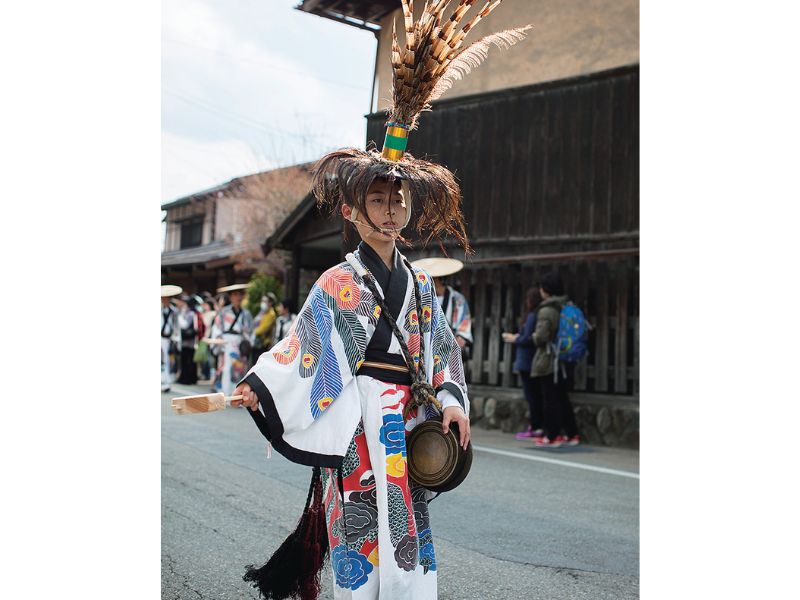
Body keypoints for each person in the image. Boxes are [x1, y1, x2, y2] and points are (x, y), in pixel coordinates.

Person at [234, 4, 528, 598]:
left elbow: (441, 349)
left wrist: (450, 399)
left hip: (407, 417)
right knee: (361, 522)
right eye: (378, 198)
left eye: (399, 199)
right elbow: (304, 347)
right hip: (356, 420)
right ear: (352, 210)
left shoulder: (419, 286)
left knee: (409, 526)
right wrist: (261, 385)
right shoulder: (337, 283)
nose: (391, 208)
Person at [530, 272, 580, 448]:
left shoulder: (548, 309)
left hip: (549, 359)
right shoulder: (566, 305)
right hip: (565, 358)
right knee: (562, 397)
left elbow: (541, 337)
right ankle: (572, 434)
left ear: (546, 290)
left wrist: (534, 336)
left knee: (549, 399)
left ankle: (552, 436)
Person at [502, 288, 544, 440]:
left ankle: (536, 426)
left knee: (532, 396)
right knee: (535, 395)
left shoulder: (533, 316)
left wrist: (515, 338)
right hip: (530, 360)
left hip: (527, 360)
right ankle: (537, 426)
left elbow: (528, 339)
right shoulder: (537, 315)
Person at [212, 283, 254, 397]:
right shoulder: (224, 312)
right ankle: (225, 392)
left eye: (240, 295)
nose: (238, 298)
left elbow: (250, 331)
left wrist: (248, 342)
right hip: (226, 341)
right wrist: (218, 339)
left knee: (239, 367)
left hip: (240, 341)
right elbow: (217, 327)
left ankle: (237, 394)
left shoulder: (246, 314)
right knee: (225, 367)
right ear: (231, 297)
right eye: (235, 295)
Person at [160, 285, 182, 392]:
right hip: (160, 337)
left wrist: (177, 339)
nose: (164, 300)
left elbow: (176, 326)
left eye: (166, 298)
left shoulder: (174, 311)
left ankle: (167, 382)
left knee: (168, 360)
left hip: (169, 339)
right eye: (163, 298)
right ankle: (162, 381)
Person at [177, 296, 200, 384]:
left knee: (187, 361)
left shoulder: (190, 313)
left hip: (187, 342)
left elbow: (185, 325)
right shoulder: (193, 312)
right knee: (189, 361)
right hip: (190, 341)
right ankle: (189, 378)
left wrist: (179, 317)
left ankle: (187, 379)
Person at [252, 292, 279, 359]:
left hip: (263, 345)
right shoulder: (262, 311)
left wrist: (253, 331)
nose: (262, 303)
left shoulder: (271, 314)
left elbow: (262, 330)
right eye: (262, 301)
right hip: (256, 343)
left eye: (265, 301)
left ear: (270, 303)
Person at [199, 298, 217, 381]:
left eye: (206, 305)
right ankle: (205, 373)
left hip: (208, 337)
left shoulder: (211, 314)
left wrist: (202, 316)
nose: (204, 306)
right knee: (205, 357)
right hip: (206, 337)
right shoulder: (209, 313)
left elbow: (206, 324)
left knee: (207, 357)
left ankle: (207, 374)